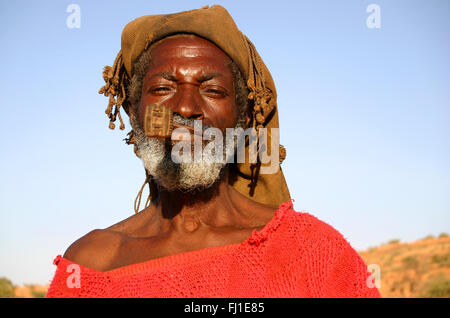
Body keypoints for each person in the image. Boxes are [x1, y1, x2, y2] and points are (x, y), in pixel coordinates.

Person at [46, 5, 380, 298]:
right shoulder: (91, 264)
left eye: (213, 90)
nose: (186, 108)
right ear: (134, 113)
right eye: (163, 88)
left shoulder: (310, 251)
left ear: (243, 119)